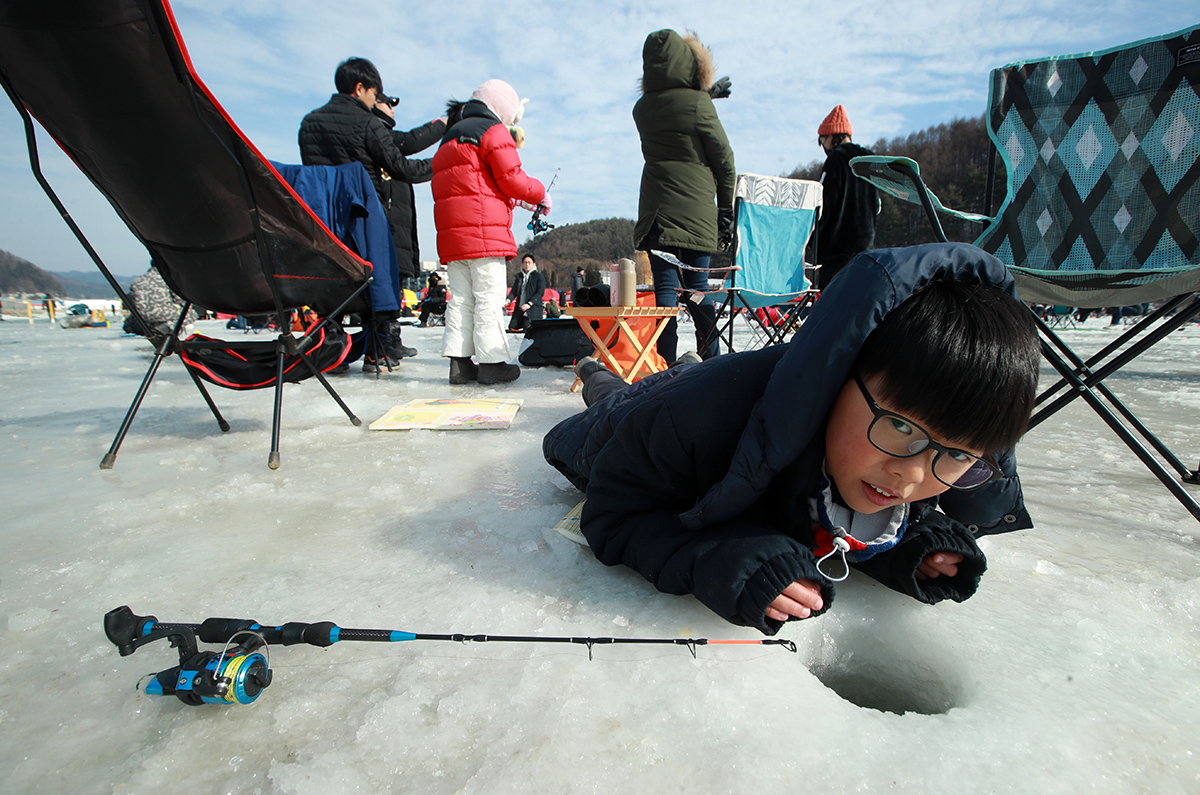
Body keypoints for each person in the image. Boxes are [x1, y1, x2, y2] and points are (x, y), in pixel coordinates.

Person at [543, 243, 1040, 635]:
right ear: (838, 377)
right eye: (902, 427)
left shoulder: (885, 450)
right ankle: (591, 367)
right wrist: (723, 560)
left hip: (719, 383)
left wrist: (914, 542)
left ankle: (680, 366)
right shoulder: (692, 423)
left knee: (677, 375)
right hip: (641, 419)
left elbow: (867, 510)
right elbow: (615, 514)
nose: (911, 477)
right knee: (616, 392)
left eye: (954, 455)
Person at [299, 57, 436, 372]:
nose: (376, 102)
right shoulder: (367, 122)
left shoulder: (309, 123)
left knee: (332, 278)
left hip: (322, 218)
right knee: (372, 278)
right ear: (360, 88)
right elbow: (400, 167)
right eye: (375, 95)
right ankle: (377, 350)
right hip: (362, 214)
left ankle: (330, 350)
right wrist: (439, 163)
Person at [432, 79, 548, 385]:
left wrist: (516, 201)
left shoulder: (449, 137)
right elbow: (513, 178)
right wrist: (539, 194)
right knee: (488, 298)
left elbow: (476, 183)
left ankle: (459, 364)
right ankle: (492, 362)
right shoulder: (493, 131)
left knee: (460, 299)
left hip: (453, 237)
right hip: (484, 234)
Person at [633, 29, 735, 363]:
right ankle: (711, 361)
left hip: (656, 212)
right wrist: (726, 208)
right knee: (697, 289)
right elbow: (724, 159)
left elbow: (674, 112)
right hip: (697, 211)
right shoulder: (698, 103)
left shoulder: (642, 108)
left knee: (665, 291)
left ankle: (664, 365)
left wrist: (704, 97)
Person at [812, 105, 879, 290]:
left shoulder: (835, 160)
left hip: (836, 251)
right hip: (864, 248)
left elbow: (824, 205)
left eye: (822, 140)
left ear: (831, 136)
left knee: (832, 306)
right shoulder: (869, 159)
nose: (822, 146)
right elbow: (876, 205)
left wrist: (812, 243)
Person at [508, 254, 546, 333]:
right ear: (522, 264)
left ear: (534, 264)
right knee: (512, 327)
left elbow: (540, 293)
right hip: (520, 308)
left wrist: (529, 303)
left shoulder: (539, 277)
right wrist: (507, 300)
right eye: (525, 262)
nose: (527, 264)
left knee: (528, 328)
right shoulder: (519, 277)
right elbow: (514, 291)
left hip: (533, 308)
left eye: (529, 262)